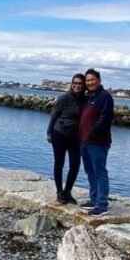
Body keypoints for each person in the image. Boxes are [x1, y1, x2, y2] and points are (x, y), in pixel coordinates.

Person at [78, 68, 114, 216]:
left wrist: (92, 133)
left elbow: (105, 118)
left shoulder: (105, 97)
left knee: (100, 172)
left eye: (92, 80)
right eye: (88, 80)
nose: (90, 82)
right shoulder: (88, 97)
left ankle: (102, 204)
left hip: (98, 142)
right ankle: (94, 199)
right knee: (90, 172)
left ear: (99, 80)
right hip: (84, 141)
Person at [46, 73, 86, 203]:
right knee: (59, 163)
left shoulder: (85, 100)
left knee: (75, 165)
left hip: (76, 137)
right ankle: (59, 192)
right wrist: (49, 132)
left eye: (80, 83)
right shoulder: (64, 98)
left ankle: (67, 191)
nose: (77, 85)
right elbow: (53, 115)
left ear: (83, 85)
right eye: (75, 83)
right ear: (71, 83)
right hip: (59, 134)